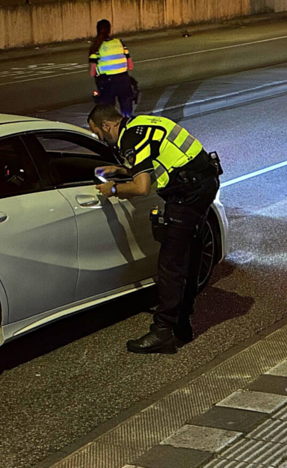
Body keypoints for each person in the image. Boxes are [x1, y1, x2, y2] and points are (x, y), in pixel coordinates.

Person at [87, 103, 221, 354]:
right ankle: (182, 324)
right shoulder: (141, 125)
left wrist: (113, 189)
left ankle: (163, 332)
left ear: (106, 125)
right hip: (204, 181)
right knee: (190, 254)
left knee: (171, 264)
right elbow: (155, 158)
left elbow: (141, 188)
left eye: (97, 133)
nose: (100, 138)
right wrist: (122, 170)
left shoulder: (128, 138)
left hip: (188, 192)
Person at [89, 19, 136, 118]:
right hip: (123, 80)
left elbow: (92, 72)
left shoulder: (96, 47)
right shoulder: (119, 43)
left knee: (108, 109)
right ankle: (126, 124)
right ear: (110, 30)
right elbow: (130, 65)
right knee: (126, 105)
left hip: (107, 83)